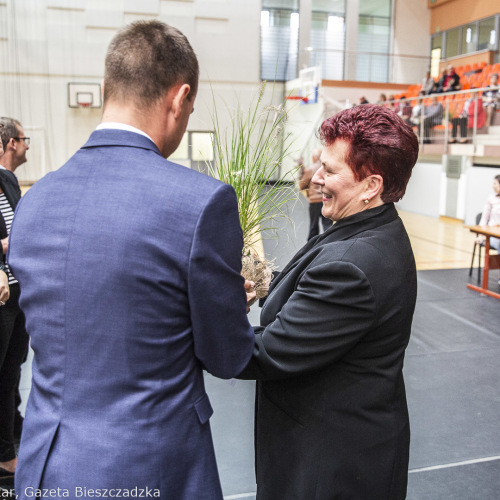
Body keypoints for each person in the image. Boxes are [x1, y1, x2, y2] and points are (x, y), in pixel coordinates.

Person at [9, 20, 254, 499]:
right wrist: (227, 304)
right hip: (149, 470)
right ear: (180, 99)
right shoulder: (200, 203)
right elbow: (227, 355)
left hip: (44, 467)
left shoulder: (34, 202)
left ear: (103, 89)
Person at [238, 104, 419, 499]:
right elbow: (303, 283)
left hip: (331, 466)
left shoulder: (353, 265)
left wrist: (195, 317)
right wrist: (255, 277)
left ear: (371, 185)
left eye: (330, 170)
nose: (315, 178)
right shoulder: (369, 227)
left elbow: (266, 353)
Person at [0, 118, 30, 484]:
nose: (27, 145)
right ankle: (6, 453)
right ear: (9, 142)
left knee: (11, 372)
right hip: (3, 291)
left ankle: (9, 440)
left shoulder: (7, 180)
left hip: (16, 290)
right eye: (23, 139)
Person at [298, 149, 333, 240]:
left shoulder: (310, 169)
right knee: (327, 224)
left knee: (314, 224)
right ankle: (328, 241)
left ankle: (312, 244)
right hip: (327, 199)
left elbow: (302, 186)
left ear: (314, 157)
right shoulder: (329, 169)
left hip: (314, 201)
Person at [477, 175, 500, 283]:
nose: (493, 186)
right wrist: (480, 235)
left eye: (495, 183)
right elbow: (484, 218)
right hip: (492, 236)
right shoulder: (491, 198)